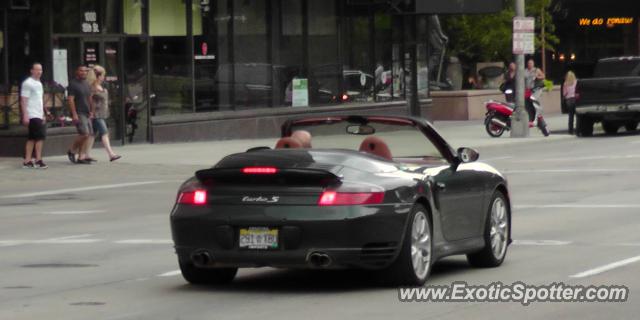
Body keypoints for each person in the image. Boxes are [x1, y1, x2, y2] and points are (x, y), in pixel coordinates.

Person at [87, 65, 121, 161]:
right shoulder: (93, 87)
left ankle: (85, 154)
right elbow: (90, 100)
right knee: (104, 133)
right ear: (98, 76)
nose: (103, 77)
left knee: (92, 135)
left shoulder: (99, 86)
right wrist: (92, 112)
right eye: (102, 75)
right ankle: (111, 154)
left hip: (101, 113)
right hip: (97, 115)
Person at [20, 62, 48, 169]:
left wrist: (43, 114)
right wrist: (25, 115)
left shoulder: (39, 83)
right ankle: (38, 159)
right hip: (32, 114)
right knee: (39, 137)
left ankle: (28, 160)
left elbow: (40, 100)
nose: (39, 72)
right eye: (37, 70)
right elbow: (23, 100)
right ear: (31, 71)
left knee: (33, 137)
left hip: (38, 113)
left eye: (40, 70)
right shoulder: (28, 83)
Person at [66, 65, 95, 164]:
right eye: (81, 71)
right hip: (79, 112)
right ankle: (72, 150)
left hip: (87, 113)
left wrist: (91, 111)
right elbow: (70, 99)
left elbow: (90, 98)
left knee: (89, 134)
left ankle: (81, 157)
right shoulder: (73, 84)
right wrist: (74, 114)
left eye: (85, 71)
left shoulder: (86, 83)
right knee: (84, 133)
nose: (83, 73)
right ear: (77, 72)